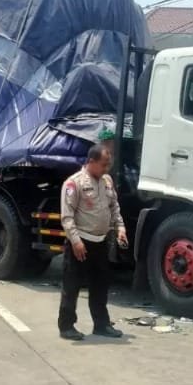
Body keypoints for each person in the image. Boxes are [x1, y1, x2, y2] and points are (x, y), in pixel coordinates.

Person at [58, 145, 127, 341]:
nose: (107, 168)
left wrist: (120, 228)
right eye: (104, 164)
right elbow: (67, 217)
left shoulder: (106, 181)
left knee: (100, 285)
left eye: (108, 165)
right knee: (71, 286)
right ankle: (67, 326)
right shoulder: (74, 183)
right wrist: (76, 242)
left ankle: (101, 324)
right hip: (80, 243)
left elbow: (114, 207)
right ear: (91, 162)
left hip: (100, 242)